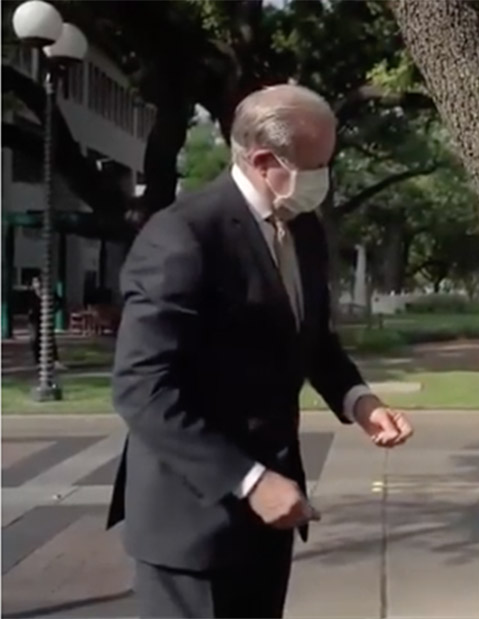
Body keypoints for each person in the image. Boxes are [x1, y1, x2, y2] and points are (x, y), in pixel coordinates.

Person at [107, 84, 415, 619]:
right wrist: (248, 481)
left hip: (272, 516)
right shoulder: (182, 237)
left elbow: (312, 338)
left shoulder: (305, 229)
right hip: (193, 521)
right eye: (317, 164)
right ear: (265, 160)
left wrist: (359, 401)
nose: (326, 178)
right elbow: (143, 389)